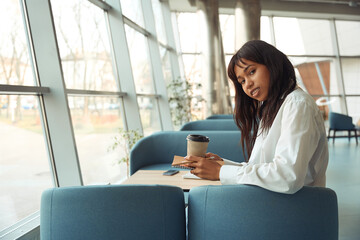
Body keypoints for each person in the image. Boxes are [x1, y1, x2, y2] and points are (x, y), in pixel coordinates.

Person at [184, 40, 329, 194]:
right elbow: (261, 167)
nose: (247, 85)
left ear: (272, 64)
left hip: (294, 206)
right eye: (242, 81)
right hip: (276, 200)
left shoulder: (297, 104)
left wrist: (220, 172)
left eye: (252, 72)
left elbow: (287, 177)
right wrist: (221, 165)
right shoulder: (272, 107)